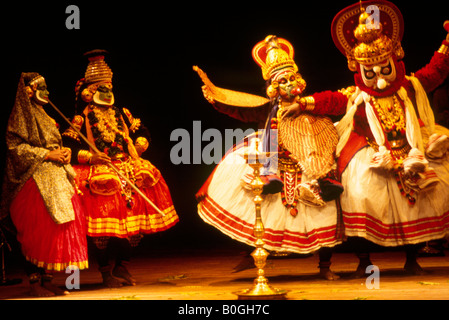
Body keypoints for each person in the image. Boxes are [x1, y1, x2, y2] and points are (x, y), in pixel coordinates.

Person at [282, 0, 449, 276]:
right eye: (370, 73)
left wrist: (446, 44)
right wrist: (302, 104)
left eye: (385, 70)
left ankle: (412, 259)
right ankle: (365, 261)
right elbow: (332, 100)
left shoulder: (409, 85)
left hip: (409, 149)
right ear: (359, 70)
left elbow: (436, 72)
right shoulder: (357, 95)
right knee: (359, 194)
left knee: (424, 197)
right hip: (370, 153)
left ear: (395, 62)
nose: (380, 80)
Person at [194, 36, 343, 280]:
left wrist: (306, 105)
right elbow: (241, 109)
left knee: (323, 213)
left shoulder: (313, 104)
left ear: (300, 80)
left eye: (292, 79)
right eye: (283, 81)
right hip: (278, 163)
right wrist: (216, 102)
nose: (289, 85)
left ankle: (325, 267)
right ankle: (255, 256)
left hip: (311, 164)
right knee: (263, 209)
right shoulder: (270, 107)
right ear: (274, 87)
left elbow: (339, 102)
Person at [62, 50, 179, 287]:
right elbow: (68, 145)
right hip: (100, 172)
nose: (106, 92)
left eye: (108, 87)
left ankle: (122, 266)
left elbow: (140, 129)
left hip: (128, 167)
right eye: (100, 89)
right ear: (89, 93)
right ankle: (105, 271)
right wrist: (90, 158)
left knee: (134, 226)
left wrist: (141, 142)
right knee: (103, 230)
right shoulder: (80, 118)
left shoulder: (121, 113)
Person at [0, 72, 88, 296]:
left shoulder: (45, 115)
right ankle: (35, 280)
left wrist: (65, 152)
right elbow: (15, 148)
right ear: (29, 91)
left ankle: (49, 278)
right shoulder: (20, 116)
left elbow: (55, 144)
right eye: (43, 88)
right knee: (38, 228)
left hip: (57, 175)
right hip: (32, 177)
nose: (48, 92)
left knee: (60, 228)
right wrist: (47, 155)